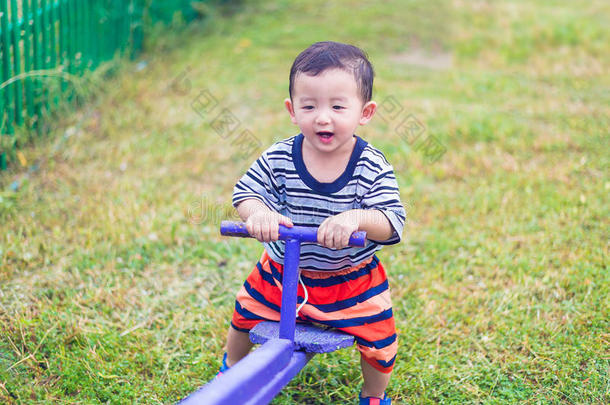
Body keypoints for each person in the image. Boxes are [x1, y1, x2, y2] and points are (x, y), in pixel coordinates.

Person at [219, 41, 406, 405]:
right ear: (292, 110)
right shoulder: (278, 157)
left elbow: (391, 220)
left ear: (365, 112)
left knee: (379, 339)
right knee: (244, 314)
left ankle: (373, 395)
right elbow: (246, 193)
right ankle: (232, 368)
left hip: (349, 279)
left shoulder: (370, 166)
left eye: (338, 106)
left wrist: (355, 218)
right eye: (309, 106)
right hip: (280, 272)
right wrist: (259, 214)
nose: (323, 117)